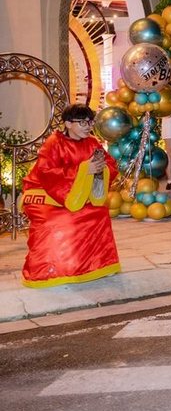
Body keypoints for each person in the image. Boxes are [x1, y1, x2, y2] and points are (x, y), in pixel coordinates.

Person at [19, 104, 120, 287]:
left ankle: (95, 266)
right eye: (82, 122)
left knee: (98, 214)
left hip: (75, 195)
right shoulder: (54, 143)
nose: (88, 126)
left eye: (90, 122)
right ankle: (50, 271)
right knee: (63, 220)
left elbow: (110, 165)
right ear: (68, 123)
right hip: (43, 194)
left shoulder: (92, 143)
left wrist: (100, 169)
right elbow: (46, 172)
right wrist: (83, 170)